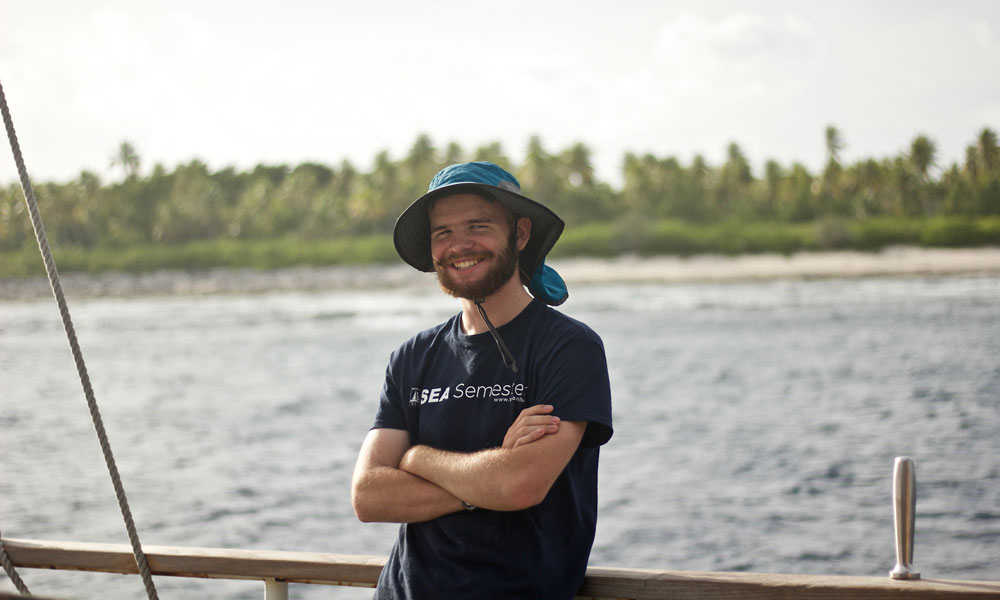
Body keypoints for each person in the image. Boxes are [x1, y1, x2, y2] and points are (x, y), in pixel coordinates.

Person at [351, 161, 613, 600]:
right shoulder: (412, 357)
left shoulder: (568, 348)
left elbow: (519, 485)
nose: (460, 245)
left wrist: (415, 459)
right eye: (443, 233)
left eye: (478, 225)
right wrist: (486, 481)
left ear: (521, 234)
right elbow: (369, 496)